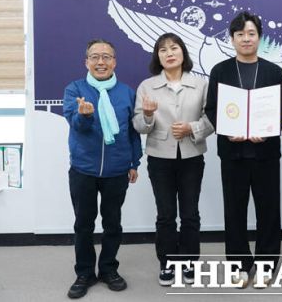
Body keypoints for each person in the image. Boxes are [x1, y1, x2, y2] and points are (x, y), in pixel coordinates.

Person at [205, 11, 282, 288]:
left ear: (259, 37)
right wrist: (227, 129)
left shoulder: (274, 72)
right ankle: (239, 264)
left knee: (269, 211)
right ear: (232, 39)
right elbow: (212, 108)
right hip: (233, 153)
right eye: (240, 34)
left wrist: (269, 130)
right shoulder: (220, 71)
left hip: (266, 153)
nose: (246, 39)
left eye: (251, 33)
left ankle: (266, 265)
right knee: (234, 211)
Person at [63, 39, 142, 299]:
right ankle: (85, 272)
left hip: (117, 170)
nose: (101, 62)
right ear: (86, 61)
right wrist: (84, 115)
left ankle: (108, 269)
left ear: (114, 62)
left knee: (112, 224)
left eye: (106, 57)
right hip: (83, 170)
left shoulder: (127, 92)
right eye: (95, 57)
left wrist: (134, 162)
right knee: (83, 224)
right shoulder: (75, 89)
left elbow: (133, 133)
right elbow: (76, 125)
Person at [133, 33, 213, 286]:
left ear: (183, 53)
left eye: (174, 48)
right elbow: (139, 125)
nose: (169, 53)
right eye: (163, 50)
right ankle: (167, 262)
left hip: (192, 156)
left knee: (190, 213)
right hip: (160, 158)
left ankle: (189, 262)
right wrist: (147, 116)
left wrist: (192, 128)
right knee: (166, 214)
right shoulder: (147, 86)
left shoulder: (200, 84)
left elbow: (211, 119)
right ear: (157, 56)